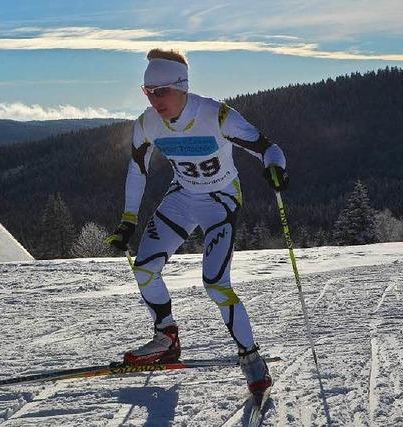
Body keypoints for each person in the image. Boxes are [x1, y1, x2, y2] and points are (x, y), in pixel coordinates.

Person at [105, 48, 288, 395]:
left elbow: (267, 148)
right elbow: (137, 170)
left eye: (162, 91)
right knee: (144, 269)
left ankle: (251, 358)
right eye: (148, 92)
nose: (155, 99)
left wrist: (276, 168)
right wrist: (128, 220)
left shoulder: (216, 115)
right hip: (184, 197)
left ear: (182, 86)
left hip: (219, 201)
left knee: (216, 283)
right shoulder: (146, 123)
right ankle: (166, 337)